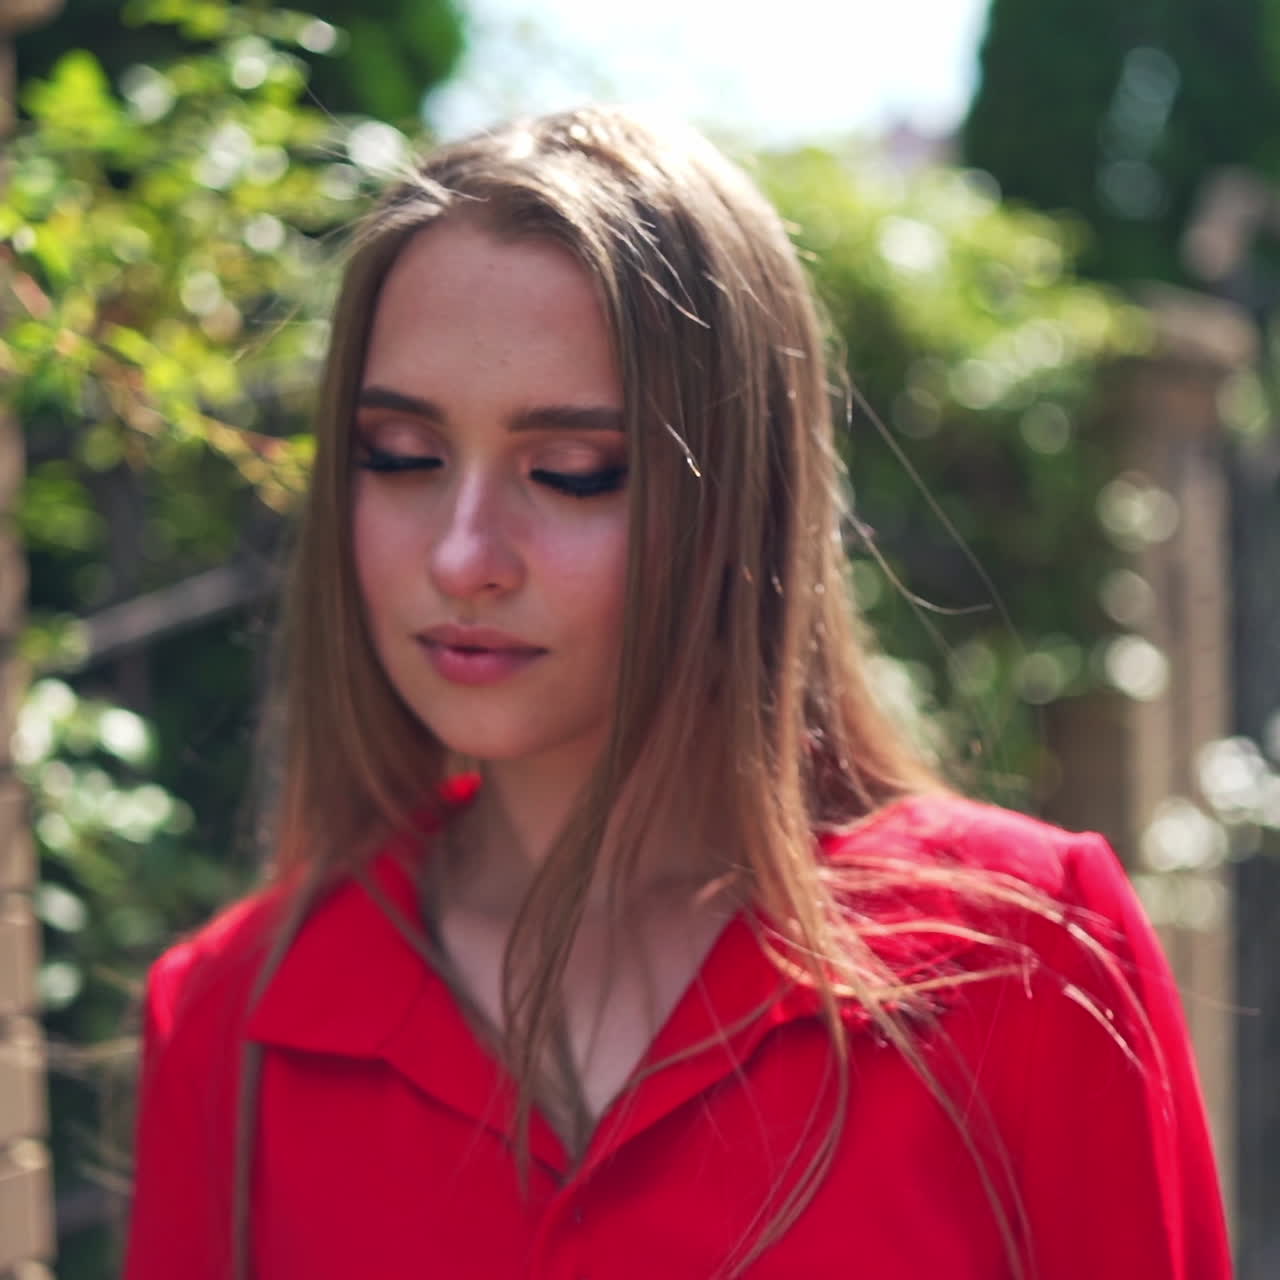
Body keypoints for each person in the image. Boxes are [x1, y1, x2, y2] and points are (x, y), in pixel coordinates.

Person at [124, 105, 1231, 1280]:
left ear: (737, 501)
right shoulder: (230, 1020)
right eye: (401, 454)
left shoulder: (1021, 951)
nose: (463, 555)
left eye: (571, 471)